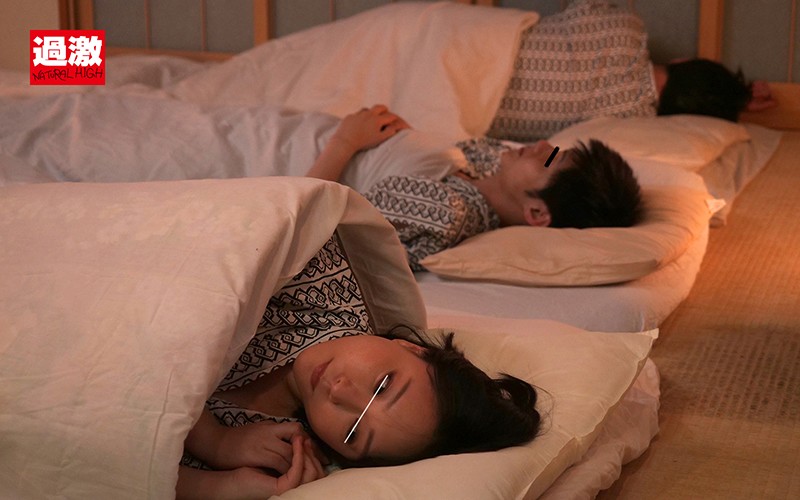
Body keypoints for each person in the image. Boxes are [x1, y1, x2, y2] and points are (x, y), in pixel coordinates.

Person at [176, 327, 541, 499]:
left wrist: (219, 487)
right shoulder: (320, 285)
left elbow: (140, 474)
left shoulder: (275, 456)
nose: (338, 392)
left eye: (352, 433)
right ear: (412, 348)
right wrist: (213, 439)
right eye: (383, 385)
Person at [307, 105, 642, 270]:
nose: (542, 144)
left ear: (537, 213)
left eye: (550, 159)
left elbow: (312, 230)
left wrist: (344, 142)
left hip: (301, 163)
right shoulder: (493, 158)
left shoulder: (443, 211)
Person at [487, 0, 777, 142]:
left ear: (682, 61)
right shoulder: (627, 128)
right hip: (472, 117)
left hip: (477, 40)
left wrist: (740, 93)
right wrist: (737, 101)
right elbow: (554, 152)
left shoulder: (627, 28)